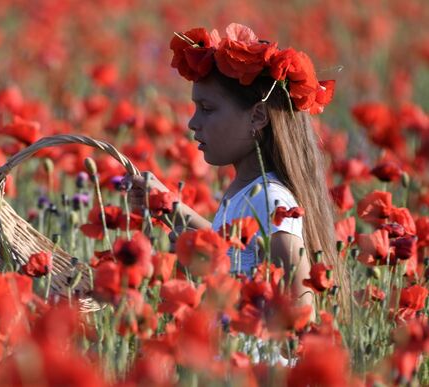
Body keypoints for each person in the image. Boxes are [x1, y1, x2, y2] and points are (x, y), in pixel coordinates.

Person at [125, 23, 349, 316]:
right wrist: (170, 206)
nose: (192, 123)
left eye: (206, 108)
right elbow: (236, 248)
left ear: (257, 116)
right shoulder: (249, 191)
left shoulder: (270, 200)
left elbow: (300, 304)